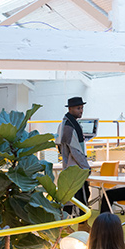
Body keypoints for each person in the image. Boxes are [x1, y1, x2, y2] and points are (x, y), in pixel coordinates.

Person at [56, 97, 91, 227]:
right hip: (75, 168)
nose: (81, 111)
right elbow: (75, 150)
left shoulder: (67, 123)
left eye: (82, 108)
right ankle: (81, 225)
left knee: (71, 197)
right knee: (81, 196)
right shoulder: (69, 126)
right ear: (70, 109)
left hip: (71, 166)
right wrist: (85, 167)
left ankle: (66, 226)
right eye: (78, 108)